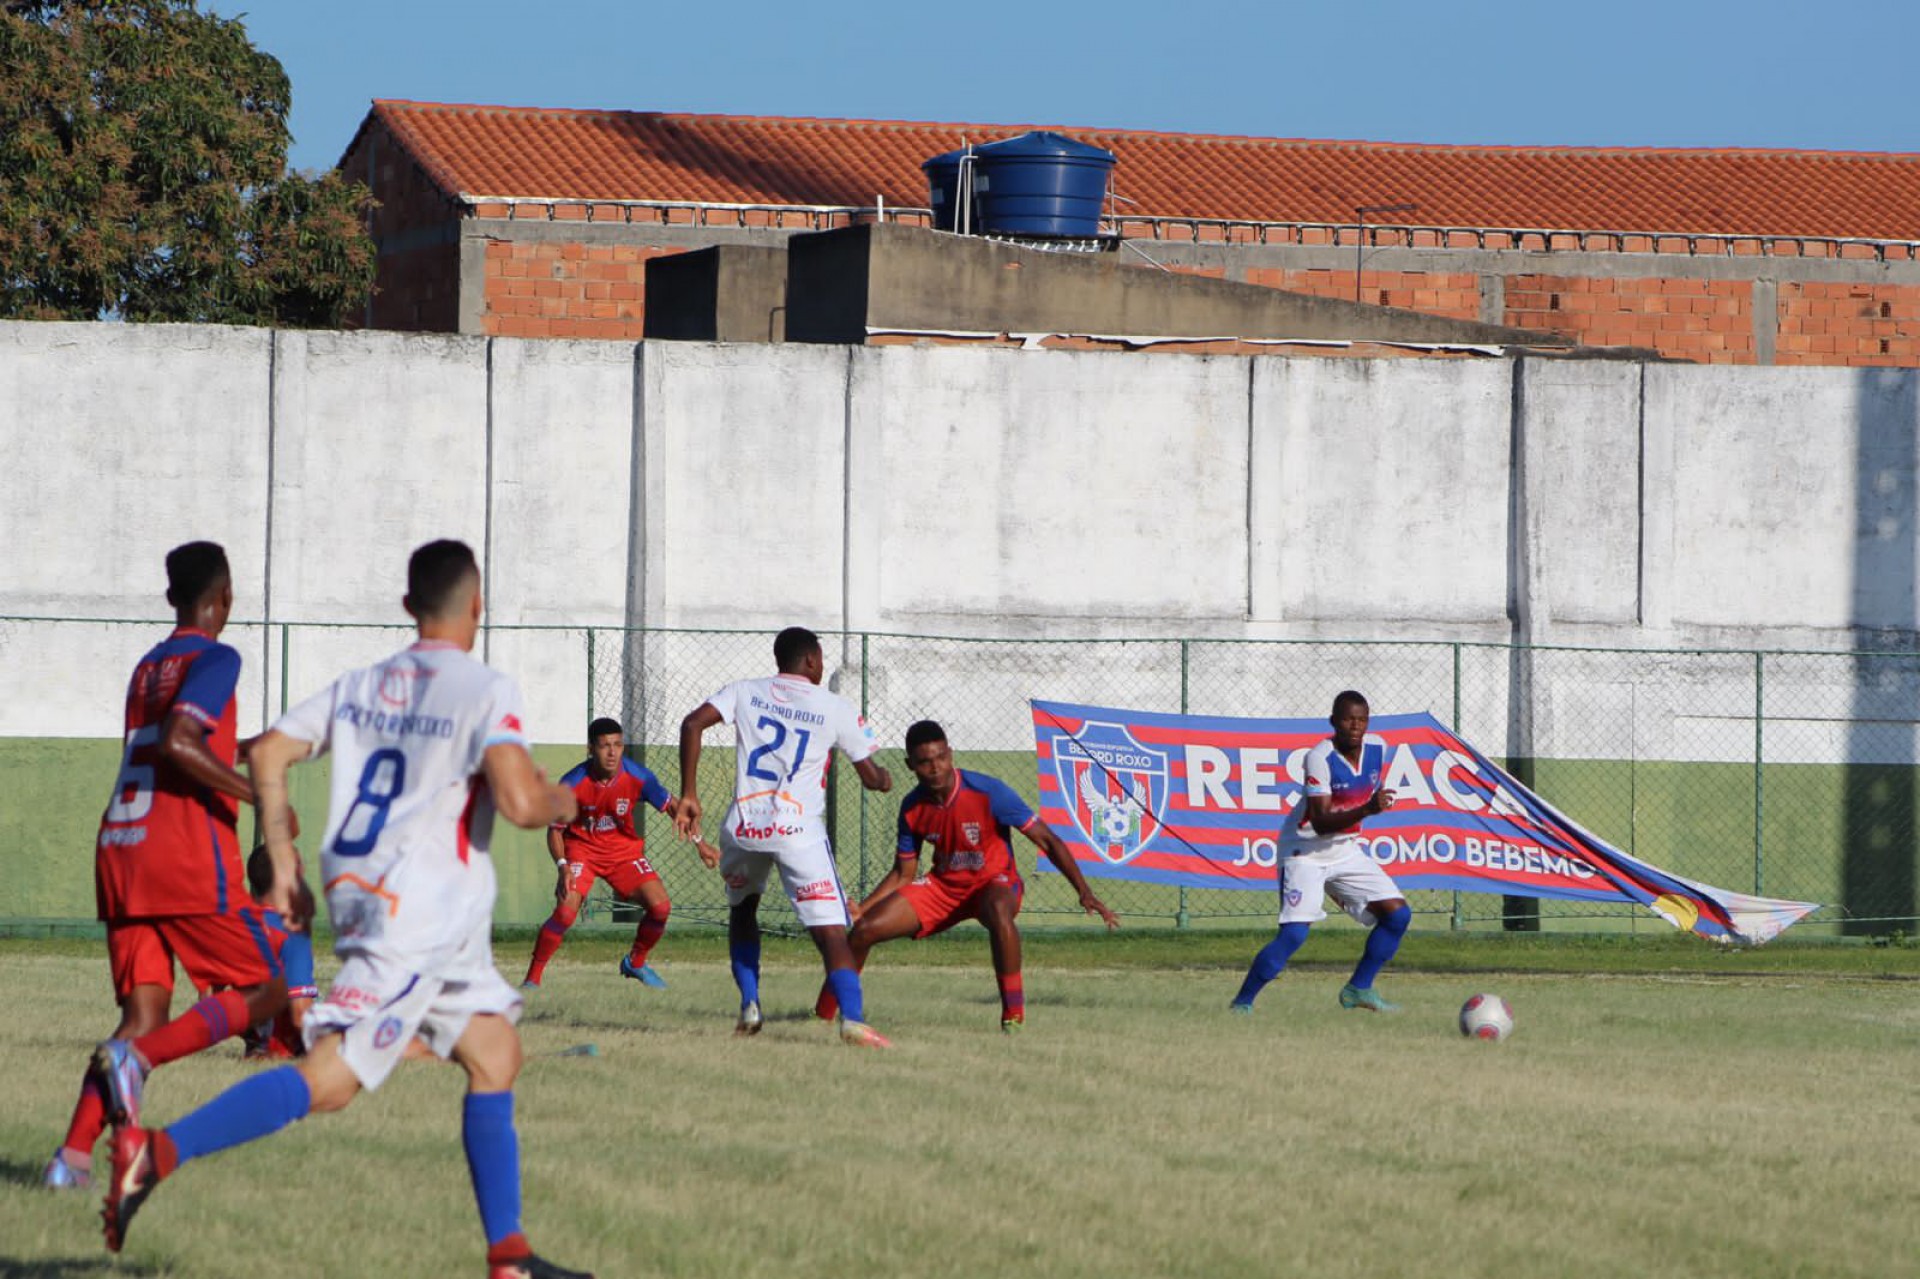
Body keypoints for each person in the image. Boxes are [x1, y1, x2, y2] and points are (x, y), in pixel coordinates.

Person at [100, 539, 594, 1279]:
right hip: (416, 916)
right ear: (478, 605)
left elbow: (267, 751)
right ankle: (158, 1150)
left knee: (494, 1051)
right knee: (328, 1079)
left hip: (393, 903)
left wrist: (282, 855)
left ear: (407, 608)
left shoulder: (368, 681)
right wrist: (563, 796)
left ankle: (510, 1256)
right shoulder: (485, 685)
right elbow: (523, 803)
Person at [43, 542, 288, 1191]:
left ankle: (69, 1159)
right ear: (226, 596)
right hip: (179, 851)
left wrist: (242, 749)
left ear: (170, 595)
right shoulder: (218, 656)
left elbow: (169, 740)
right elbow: (182, 741)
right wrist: (254, 792)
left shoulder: (149, 664)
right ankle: (137, 1061)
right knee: (270, 987)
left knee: (143, 1012)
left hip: (121, 847)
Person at [816, 720, 1120, 1033]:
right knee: (864, 931)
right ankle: (822, 1015)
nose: (935, 768)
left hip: (994, 884)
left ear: (951, 754)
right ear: (910, 765)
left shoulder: (989, 792)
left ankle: (1012, 1017)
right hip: (943, 888)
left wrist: (1083, 890)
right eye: (924, 762)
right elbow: (903, 873)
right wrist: (862, 910)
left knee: (1000, 913)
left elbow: (1047, 840)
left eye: (941, 758)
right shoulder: (911, 807)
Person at [674, 626, 894, 1047]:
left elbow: (691, 724)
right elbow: (869, 776)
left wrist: (689, 793)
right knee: (830, 930)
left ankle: (751, 1003)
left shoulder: (743, 691)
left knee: (743, 913)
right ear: (811, 660)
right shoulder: (835, 707)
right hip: (797, 832)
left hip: (744, 827)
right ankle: (852, 1019)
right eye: (821, 658)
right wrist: (884, 780)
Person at [1230, 690, 1412, 1014]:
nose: (1355, 726)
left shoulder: (1378, 748)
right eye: (1348, 719)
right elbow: (1321, 821)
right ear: (1333, 722)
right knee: (1295, 935)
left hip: (1344, 849)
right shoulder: (1319, 757)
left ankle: (1359, 989)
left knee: (1398, 915)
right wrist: (1368, 810)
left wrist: (1365, 810)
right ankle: (1242, 1003)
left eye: (1362, 719)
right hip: (1305, 851)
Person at [521, 717, 677, 990]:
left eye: (617, 745)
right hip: (582, 850)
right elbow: (555, 831)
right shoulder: (572, 784)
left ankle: (636, 963)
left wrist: (701, 842)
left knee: (661, 907)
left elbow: (672, 805)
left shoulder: (638, 776)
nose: (612, 752)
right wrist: (562, 866)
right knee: (565, 913)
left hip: (623, 851)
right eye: (605, 746)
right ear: (590, 749)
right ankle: (532, 980)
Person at [238, 844, 319, 1059]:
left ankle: (259, 1042)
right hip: (285, 1047)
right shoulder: (291, 932)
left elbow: (209, 995)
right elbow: (301, 1016)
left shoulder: (236, 924)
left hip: (255, 1037)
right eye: (299, 867)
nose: (303, 873)